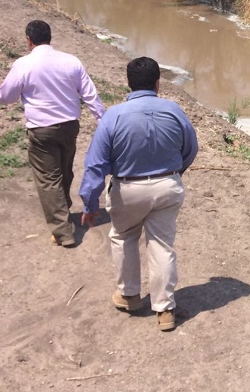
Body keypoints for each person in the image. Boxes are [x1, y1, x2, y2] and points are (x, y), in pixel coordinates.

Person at [79, 57, 198, 332]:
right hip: (167, 186)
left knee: (123, 237)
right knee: (161, 246)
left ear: (128, 83)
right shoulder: (174, 110)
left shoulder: (113, 116)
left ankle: (129, 296)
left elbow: (96, 165)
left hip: (128, 189)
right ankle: (165, 310)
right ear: (158, 84)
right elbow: (190, 148)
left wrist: (89, 202)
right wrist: (175, 173)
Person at [0, 19, 105, 247]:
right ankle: (62, 211)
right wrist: (103, 120)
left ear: (28, 40)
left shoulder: (24, 64)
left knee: (48, 179)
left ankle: (63, 232)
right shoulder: (71, 61)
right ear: (50, 38)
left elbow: (6, 96)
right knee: (64, 171)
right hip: (70, 127)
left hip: (42, 130)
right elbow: (90, 94)